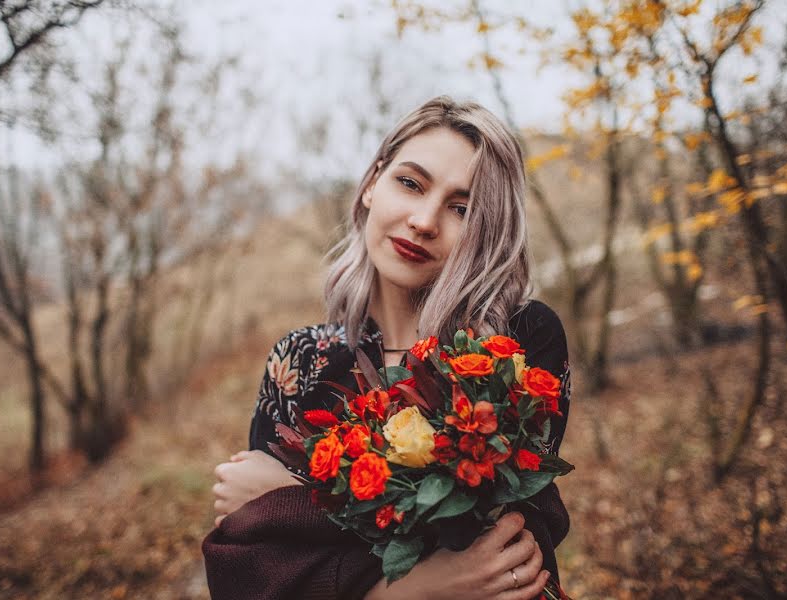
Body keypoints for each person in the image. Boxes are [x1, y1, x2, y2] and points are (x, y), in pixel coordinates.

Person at [203, 95, 572, 600]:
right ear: (374, 182)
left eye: (461, 208)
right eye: (410, 183)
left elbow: (497, 538)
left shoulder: (514, 344)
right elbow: (255, 570)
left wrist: (288, 500)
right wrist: (410, 588)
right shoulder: (302, 362)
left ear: (485, 231)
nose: (424, 220)